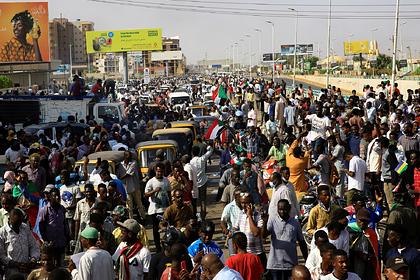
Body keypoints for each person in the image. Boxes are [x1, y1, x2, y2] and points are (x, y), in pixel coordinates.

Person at [262, 199, 308, 280]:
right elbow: (264, 235)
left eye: (284, 209)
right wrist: (265, 222)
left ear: (289, 208)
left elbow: (301, 242)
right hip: (275, 264)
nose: (282, 212)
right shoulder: (272, 221)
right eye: (280, 209)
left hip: (291, 265)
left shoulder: (295, 223)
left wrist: (306, 259)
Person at [0, 208, 40, 279]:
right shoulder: (2, 232)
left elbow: (34, 246)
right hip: (11, 272)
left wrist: (33, 260)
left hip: (27, 270)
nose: (18, 226)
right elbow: (1, 255)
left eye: (20, 223)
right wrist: (16, 264)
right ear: (9, 219)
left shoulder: (25, 227)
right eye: (15, 223)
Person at [232, 192, 265, 267]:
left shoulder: (258, 215)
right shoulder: (240, 214)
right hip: (244, 254)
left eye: (246, 203)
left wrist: (250, 216)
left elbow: (256, 233)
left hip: (257, 254)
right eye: (242, 203)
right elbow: (235, 228)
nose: (244, 205)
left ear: (251, 203)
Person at [38, 187, 69, 267]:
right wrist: (46, 240)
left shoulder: (62, 208)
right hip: (51, 242)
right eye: (55, 196)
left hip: (61, 241)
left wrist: (67, 237)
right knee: (51, 263)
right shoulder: (45, 210)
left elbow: (64, 223)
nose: (57, 198)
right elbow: (41, 226)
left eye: (58, 195)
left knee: (60, 263)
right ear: (50, 197)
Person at [145, 162, 170, 252]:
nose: (159, 173)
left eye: (161, 171)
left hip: (164, 208)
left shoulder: (166, 180)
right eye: (158, 171)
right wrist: (154, 191)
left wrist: (170, 206)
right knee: (155, 229)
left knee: (166, 227)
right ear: (155, 171)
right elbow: (146, 194)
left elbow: (169, 193)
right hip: (154, 210)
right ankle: (158, 247)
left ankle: (167, 244)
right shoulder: (151, 182)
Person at [117, 151, 146, 220]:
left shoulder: (134, 163)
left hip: (135, 187)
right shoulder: (120, 165)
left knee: (139, 204)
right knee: (129, 206)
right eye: (127, 156)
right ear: (124, 157)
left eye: (129, 156)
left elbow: (128, 174)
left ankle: (143, 218)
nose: (129, 157)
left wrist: (119, 178)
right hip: (126, 188)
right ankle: (131, 220)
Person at [190, 144, 213, 220]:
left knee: (194, 202)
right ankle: (203, 217)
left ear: (192, 153)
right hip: (203, 182)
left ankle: (194, 217)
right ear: (199, 152)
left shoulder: (190, 162)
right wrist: (208, 146)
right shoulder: (202, 159)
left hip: (194, 184)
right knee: (203, 201)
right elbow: (210, 151)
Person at [73, 184, 97, 253]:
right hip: (82, 232)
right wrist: (76, 236)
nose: (88, 193)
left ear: (93, 192)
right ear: (84, 193)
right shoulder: (80, 203)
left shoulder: (97, 202)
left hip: (93, 233)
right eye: (87, 192)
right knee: (79, 253)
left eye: (90, 191)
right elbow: (77, 220)